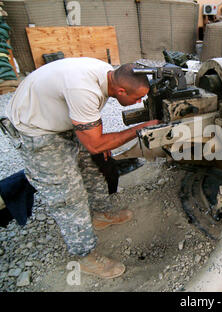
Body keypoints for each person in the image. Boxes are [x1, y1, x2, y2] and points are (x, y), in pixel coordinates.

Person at [5, 57, 159, 279]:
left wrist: (100, 139)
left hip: (59, 119)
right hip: (36, 131)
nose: (139, 102)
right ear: (122, 90)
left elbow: (92, 113)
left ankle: (100, 215)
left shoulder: (108, 74)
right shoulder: (83, 88)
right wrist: (139, 129)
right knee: (68, 195)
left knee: (94, 168)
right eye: (137, 98)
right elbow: (94, 141)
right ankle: (85, 257)